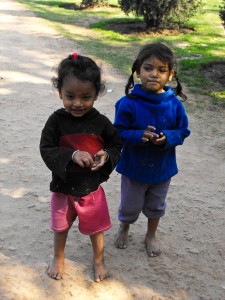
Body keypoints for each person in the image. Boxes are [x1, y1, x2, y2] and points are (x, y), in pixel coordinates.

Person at [40, 52, 122, 282]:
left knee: (96, 229)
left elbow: (116, 143)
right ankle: (59, 257)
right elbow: (46, 148)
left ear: (97, 93)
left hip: (91, 189)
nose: (77, 103)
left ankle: (98, 260)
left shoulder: (100, 122)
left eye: (86, 96)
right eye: (70, 96)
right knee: (61, 227)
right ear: (60, 93)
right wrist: (72, 155)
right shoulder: (56, 121)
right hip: (62, 187)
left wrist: (106, 154)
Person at [114, 42, 190, 257]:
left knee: (156, 205)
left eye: (161, 70)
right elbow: (117, 132)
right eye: (148, 68)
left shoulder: (174, 105)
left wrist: (168, 138)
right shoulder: (127, 103)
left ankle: (151, 234)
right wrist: (138, 135)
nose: (154, 74)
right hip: (133, 168)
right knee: (130, 205)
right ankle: (124, 227)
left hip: (162, 169)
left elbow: (183, 131)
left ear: (170, 74)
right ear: (138, 70)